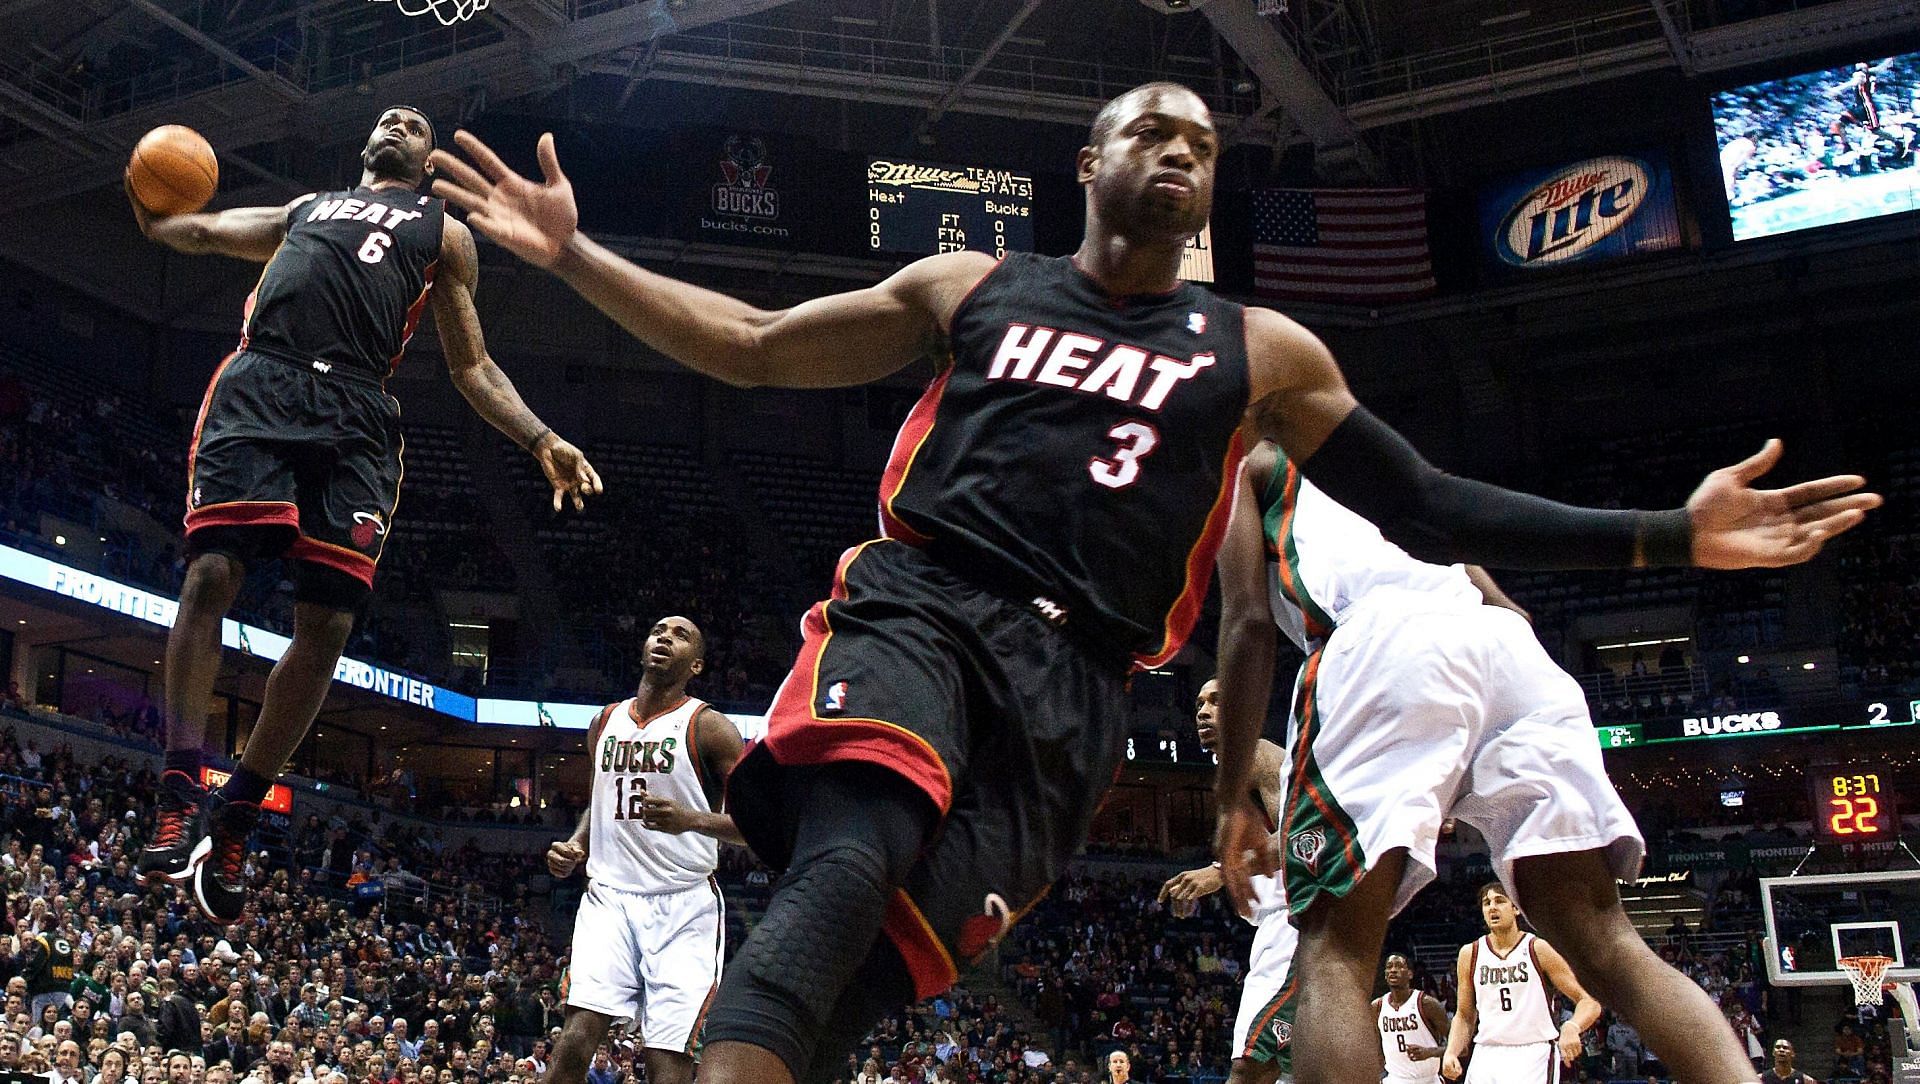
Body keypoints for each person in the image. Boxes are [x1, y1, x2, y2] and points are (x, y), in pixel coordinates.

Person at [433, 81, 1876, 1084]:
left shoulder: (1264, 353)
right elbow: (749, 344)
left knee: (877, 974)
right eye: (1149, 131)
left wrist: (1666, 536)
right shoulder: (972, 288)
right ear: (1091, 163)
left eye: (1199, 139)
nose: (1180, 148)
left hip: (1081, 689)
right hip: (928, 603)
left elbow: (1428, 502)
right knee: (850, 851)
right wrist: (577, 257)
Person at [127, 105, 602, 922]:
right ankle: (178, 784)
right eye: (389, 117)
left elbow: (473, 365)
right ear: (364, 143)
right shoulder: (303, 210)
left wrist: (541, 438)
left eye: (417, 123)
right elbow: (200, 232)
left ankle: (239, 809)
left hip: (356, 414)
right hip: (261, 384)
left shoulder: (443, 234)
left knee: (329, 630)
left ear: (425, 161)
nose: (399, 121)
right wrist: (153, 208)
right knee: (210, 574)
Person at [1209, 441, 1808, 1084]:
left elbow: (1246, 621)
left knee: (1333, 956)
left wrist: (1229, 802)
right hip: (1507, 649)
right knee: (1609, 944)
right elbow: (1505, 603)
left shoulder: (1250, 464)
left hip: (1378, 642)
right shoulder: (1369, 454)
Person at [542, 616, 746, 1084]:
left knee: (666, 1065)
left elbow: (758, 827)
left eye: (681, 635)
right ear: (642, 648)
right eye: (658, 631)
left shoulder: (710, 728)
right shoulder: (604, 722)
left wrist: (690, 820)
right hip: (609, 898)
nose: (664, 638)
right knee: (575, 1039)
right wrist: (575, 845)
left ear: (696, 664)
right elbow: (599, 800)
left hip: (684, 905)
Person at [1157, 679, 1293, 1084]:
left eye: (1217, 701)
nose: (1202, 711)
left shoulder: (1257, 755)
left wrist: (1217, 874)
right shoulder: (1232, 772)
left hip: (1296, 924)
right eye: (1199, 703)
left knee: (1248, 1065)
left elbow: (1303, 835)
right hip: (1279, 927)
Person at [1441, 884, 1600, 1084]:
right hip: (1486, 1053)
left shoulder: (1537, 949)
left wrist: (1572, 1026)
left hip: (1533, 1053)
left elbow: (1589, 1002)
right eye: (1486, 903)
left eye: (1499, 901)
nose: (1492, 908)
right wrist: (1451, 1052)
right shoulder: (1470, 954)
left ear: (1516, 908)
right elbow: (1464, 1015)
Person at [1377, 955, 1448, 1084]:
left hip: (1429, 1080)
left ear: (1410, 974)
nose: (1393, 970)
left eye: (1399, 966)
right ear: (1385, 975)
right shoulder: (1377, 1007)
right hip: (1395, 1079)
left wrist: (1429, 1052)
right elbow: (1374, 1047)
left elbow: (1458, 1048)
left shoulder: (1427, 1004)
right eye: (1389, 967)